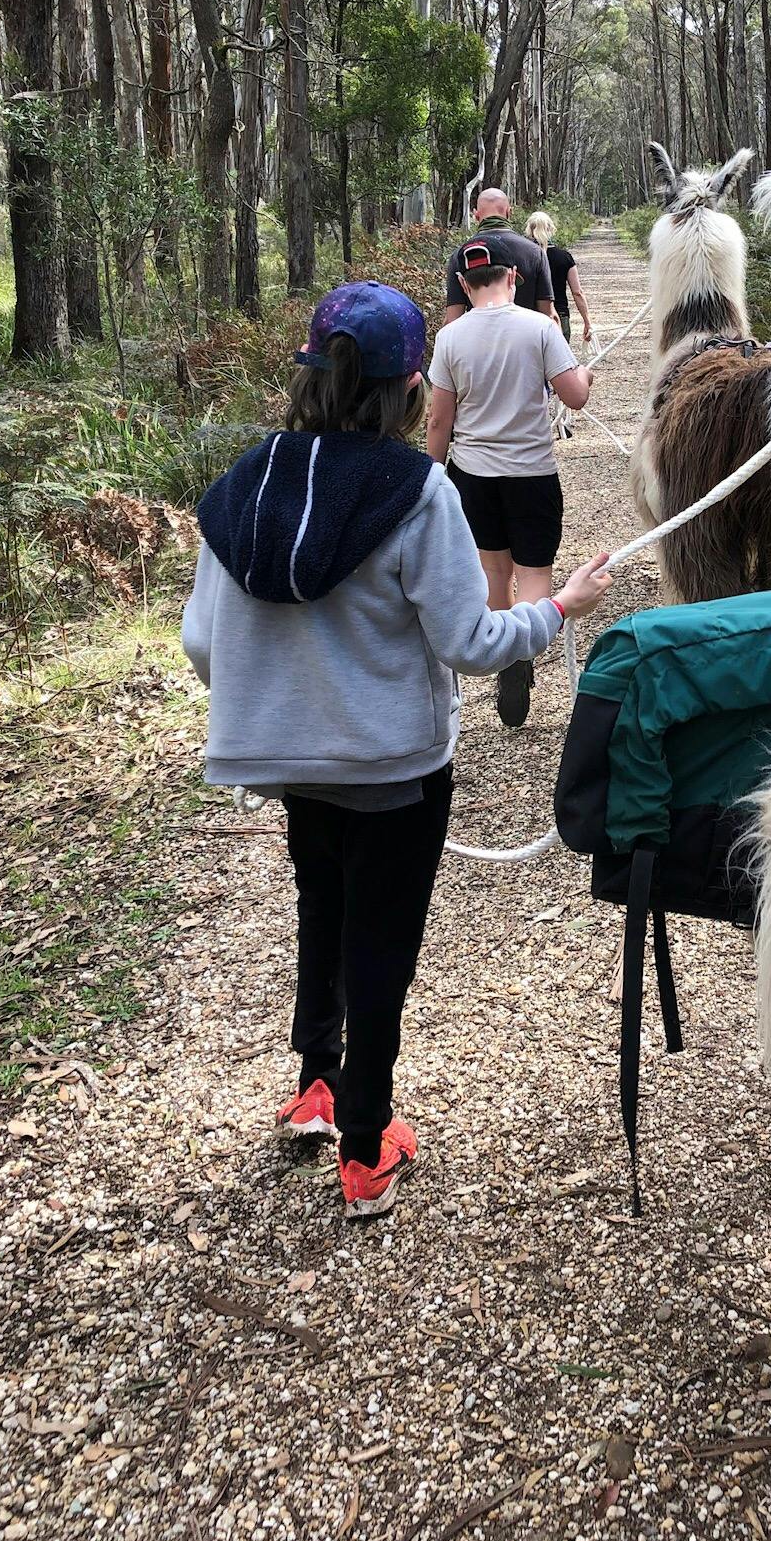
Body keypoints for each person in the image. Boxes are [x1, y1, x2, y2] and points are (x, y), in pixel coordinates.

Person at [181, 280, 612, 1219]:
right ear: (413, 386)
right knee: (382, 944)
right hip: (395, 771)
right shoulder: (416, 491)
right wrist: (557, 610)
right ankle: (368, 1149)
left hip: (290, 765)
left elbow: (203, 644)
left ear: (310, 370)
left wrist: (285, 706)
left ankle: (317, 1085)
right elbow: (471, 642)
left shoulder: (242, 483)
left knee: (321, 908)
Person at [425, 242, 593, 728]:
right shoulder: (540, 328)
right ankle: (524, 652)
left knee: (493, 572)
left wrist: (432, 478)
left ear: (463, 284)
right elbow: (575, 397)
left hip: (472, 475)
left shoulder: (450, 337)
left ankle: (506, 657)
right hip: (532, 473)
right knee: (535, 571)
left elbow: (440, 420)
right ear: (514, 277)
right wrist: (584, 374)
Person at [444, 186, 556, 324]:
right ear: (510, 212)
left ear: (476, 215)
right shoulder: (535, 252)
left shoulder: (462, 255)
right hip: (528, 341)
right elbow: (549, 315)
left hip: (479, 342)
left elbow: (453, 319)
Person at [526, 210, 594, 351]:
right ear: (551, 229)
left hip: (529, 318)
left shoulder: (523, 256)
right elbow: (577, 292)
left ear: (529, 230)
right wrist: (587, 322)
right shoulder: (564, 257)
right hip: (559, 318)